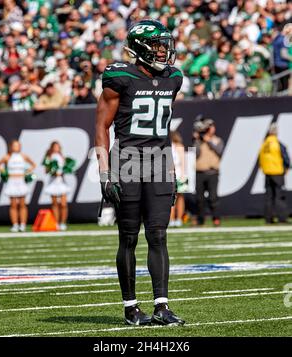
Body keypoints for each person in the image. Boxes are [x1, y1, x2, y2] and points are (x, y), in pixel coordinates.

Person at [95, 19, 185, 326]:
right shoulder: (119, 77)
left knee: (158, 235)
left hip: (159, 160)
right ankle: (131, 308)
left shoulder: (174, 77)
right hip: (128, 159)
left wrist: (172, 170)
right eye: (158, 46)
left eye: (165, 45)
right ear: (140, 48)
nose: (164, 51)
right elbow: (102, 126)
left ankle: (162, 306)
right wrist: (105, 172)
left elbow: (162, 131)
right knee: (129, 237)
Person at [0, 139, 36, 232]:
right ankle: (15, 224)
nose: (16, 147)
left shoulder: (23, 156)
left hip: (21, 181)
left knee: (22, 204)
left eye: (18, 145)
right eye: (15, 145)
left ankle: (23, 224)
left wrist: (27, 172)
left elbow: (33, 164)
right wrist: (5, 173)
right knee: (13, 204)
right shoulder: (7, 157)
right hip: (12, 181)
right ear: (11, 147)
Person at [193, 118, 224, 226]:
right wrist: (197, 140)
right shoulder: (198, 141)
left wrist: (208, 141)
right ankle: (200, 219)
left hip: (212, 172)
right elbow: (195, 154)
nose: (211, 128)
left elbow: (219, 151)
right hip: (200, 172)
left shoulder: (217, 140)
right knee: (199, 198)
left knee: (213, 197)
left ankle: (216, 218)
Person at [259, 123, 290, 224]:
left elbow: (260, 159)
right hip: (277, 172)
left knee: (269, 196)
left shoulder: (264, 144)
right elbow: (286, 158)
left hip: (267, 173)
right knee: (279, 196)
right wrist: (286, 167)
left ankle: (268, 219)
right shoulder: (277, 143)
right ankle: (282, 218)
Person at [43, 141, 70, 231]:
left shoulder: (62, 157)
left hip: (61, 181)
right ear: (52, 148)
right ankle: (56, 222)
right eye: (55, 147)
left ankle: (63, 223)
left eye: (58, 147)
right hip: (53, 181)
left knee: (63, 204)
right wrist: (52, 170)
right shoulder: (48, 157)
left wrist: (67, 169)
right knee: (55, 204)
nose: (56, 148)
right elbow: (46, 171)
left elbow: (67, 168)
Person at [169, 131, 188, 227]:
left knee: (179, 197)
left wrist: (184, 175)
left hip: (178, 174)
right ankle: (171, 219)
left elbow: (183, 161)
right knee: (172, 198)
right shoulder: (167, 145)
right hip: (171, 174)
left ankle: (179, 219)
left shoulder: (179, 146)